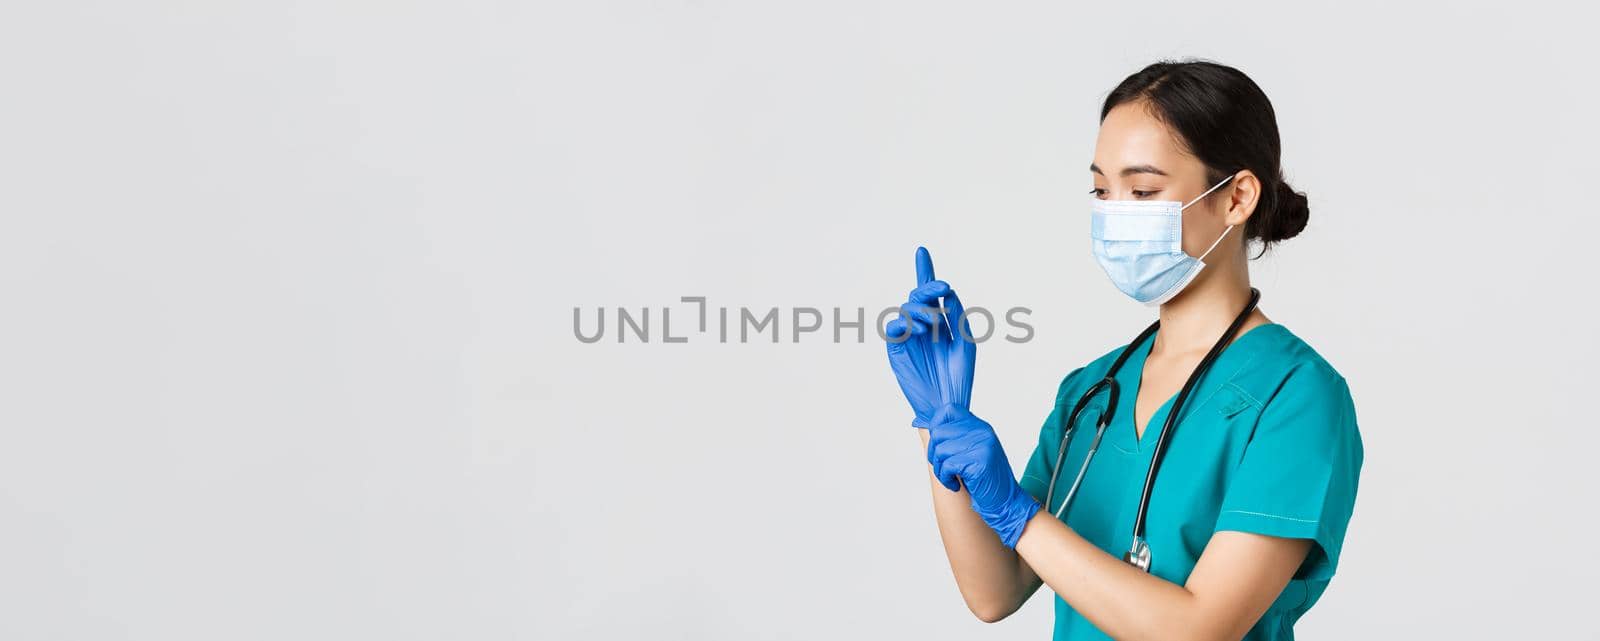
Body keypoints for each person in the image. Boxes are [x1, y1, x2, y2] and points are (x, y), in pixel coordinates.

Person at [883, 59, 1363, 641]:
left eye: (1142, 190)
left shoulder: (1297, 396)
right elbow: (995, 591)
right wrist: (941, 425)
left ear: (1236, 198)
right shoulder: (1091, 392)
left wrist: (1018, 515)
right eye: (1101, 190)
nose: (1113, 214)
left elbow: (1199, 629)